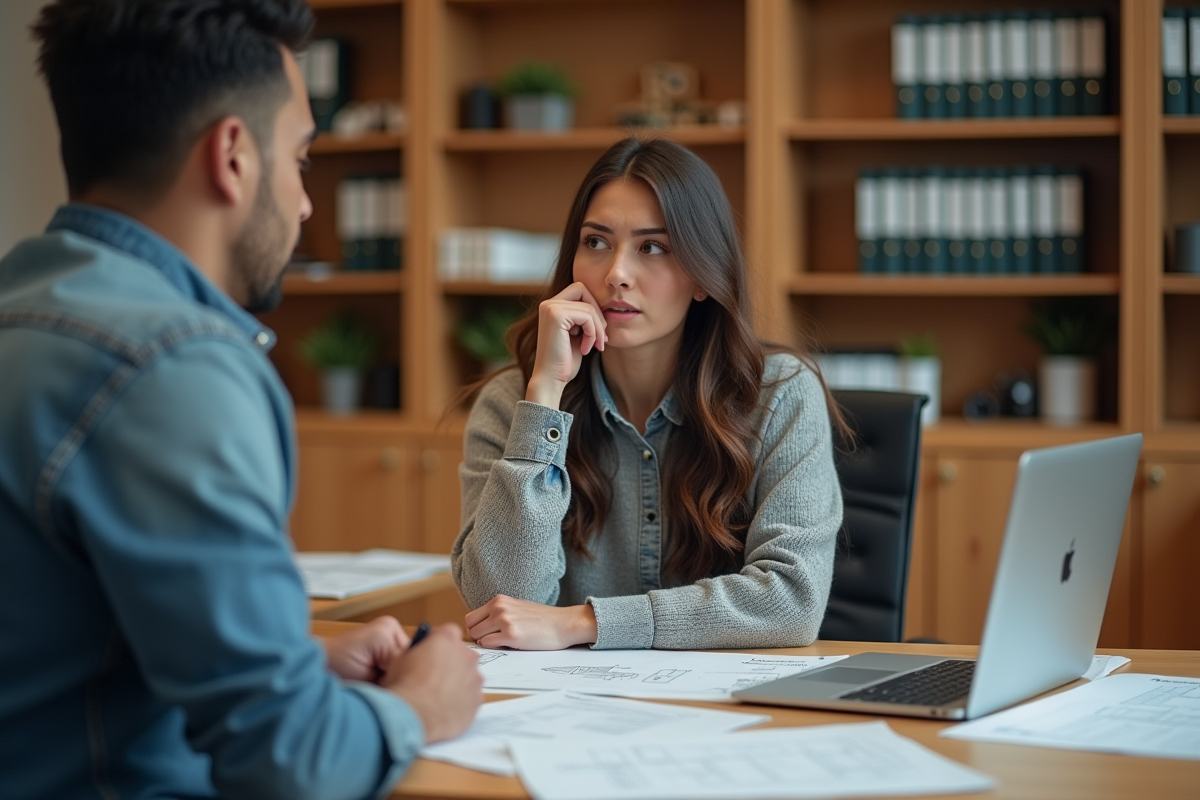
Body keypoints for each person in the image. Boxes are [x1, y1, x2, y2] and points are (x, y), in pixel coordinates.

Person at [0, 2, 480, 799]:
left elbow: (56, 639)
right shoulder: (171, 366)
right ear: (233, 156)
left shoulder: (26, 309)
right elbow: (293, 764)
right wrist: (419, 707)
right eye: (301, 159)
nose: (305, 207)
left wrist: (291, 661)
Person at [453, 137, 845, 652]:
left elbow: (791, 601)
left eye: (652, 247)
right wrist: (544, 400)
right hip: (569, 710)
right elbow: (500, 607)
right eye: (595, 242)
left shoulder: (779, 396)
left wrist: (584, 623)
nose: (616, 274)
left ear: (704, 275)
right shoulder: (514, 403)